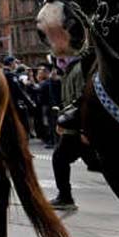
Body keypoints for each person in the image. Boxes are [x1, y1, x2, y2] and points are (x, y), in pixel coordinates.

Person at [49, 56, 88, 211]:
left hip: (77, 129)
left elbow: (82, 99)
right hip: (74, 128)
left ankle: (65, 197)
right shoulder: (69, 70)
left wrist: (84, 129)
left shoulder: (77, 70)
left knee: (59, 158)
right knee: (60, 158)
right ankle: (65, 196)